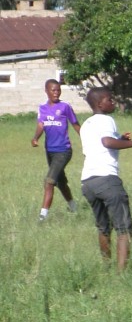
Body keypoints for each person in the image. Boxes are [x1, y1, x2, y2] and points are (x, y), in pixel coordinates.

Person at [79, 87, 132, 272]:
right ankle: (121, 273)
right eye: (110, 99)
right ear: (100, 103)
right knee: (124, 228)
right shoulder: (106, 119)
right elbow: (106, 142)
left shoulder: (87, 124)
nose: (113, 102)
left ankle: (106, 267)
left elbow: (102, 143)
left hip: (88, 182)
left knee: (103, 227)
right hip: (107, 179)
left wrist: (121, 139)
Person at [31, 79, 80, 221]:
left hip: (63, 150)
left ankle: (42, 217)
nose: (56, 93)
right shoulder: (42, 108)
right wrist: (35, 138)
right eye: (53, 90)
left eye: (58, 90)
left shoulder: (65, 107)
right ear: (46, 91)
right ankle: (73, 207)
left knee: (49, 181)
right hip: (50, 151)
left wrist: (88, 140)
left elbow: (76, 125)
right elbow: (41, 125)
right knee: (60, 181)